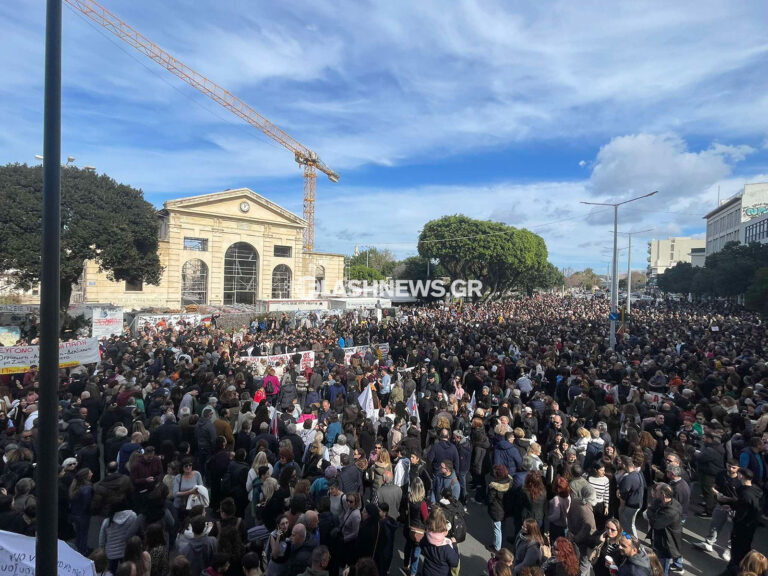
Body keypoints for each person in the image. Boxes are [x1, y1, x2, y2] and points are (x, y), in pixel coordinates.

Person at [724, 468, 763, 575]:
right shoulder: (756, 490)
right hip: (751, 527)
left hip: (742, 528)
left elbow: (741, 515)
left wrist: (732, 515)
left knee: (737, 549)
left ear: (741, 476)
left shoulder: (745, 494)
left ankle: (733, 568)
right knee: (745, 547)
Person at [646, 483, 682, 575]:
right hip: (658, 541)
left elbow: (656, 524)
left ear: (663, 494)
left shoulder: (671, 510)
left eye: (657, 491)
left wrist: (651, 514)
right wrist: (652, 513)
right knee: (654, 566)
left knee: (661, 568)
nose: (654, 493)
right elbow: (651, 508)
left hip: (665, 545)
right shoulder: (660, 501)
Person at [419, 507, 459, 576]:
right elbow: (455, 563)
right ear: (443, 527)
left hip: (427, 572)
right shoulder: (446, 548)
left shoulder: (425, 539)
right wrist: (455, 545)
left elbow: (422, 548)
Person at [404, 477, 429, 576]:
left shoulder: (408, 498)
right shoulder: (422, 504)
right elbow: (426, 518)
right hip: (419, 531)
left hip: (409, 527)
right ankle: (413, 572)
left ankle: (406, 564)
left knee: (408, 547)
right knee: (416, 552)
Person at [617, 456, 644, 538]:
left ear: (624, 465)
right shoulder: (638, 474)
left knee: (628, 526)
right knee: (630, 524)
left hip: (630, 506)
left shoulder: (628, 478)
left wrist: (621, 508)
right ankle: (627, 539)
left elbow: (623, 495)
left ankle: (633, 542)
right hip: (637, 504)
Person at [488, 464, 512, 554]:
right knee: (502, 527)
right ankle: (500, 542)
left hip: (496, 511)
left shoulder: (494, 487)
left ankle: (497, 547)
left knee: (496, 529)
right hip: (505, 509)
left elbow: (489, 499)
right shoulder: (509, 482)